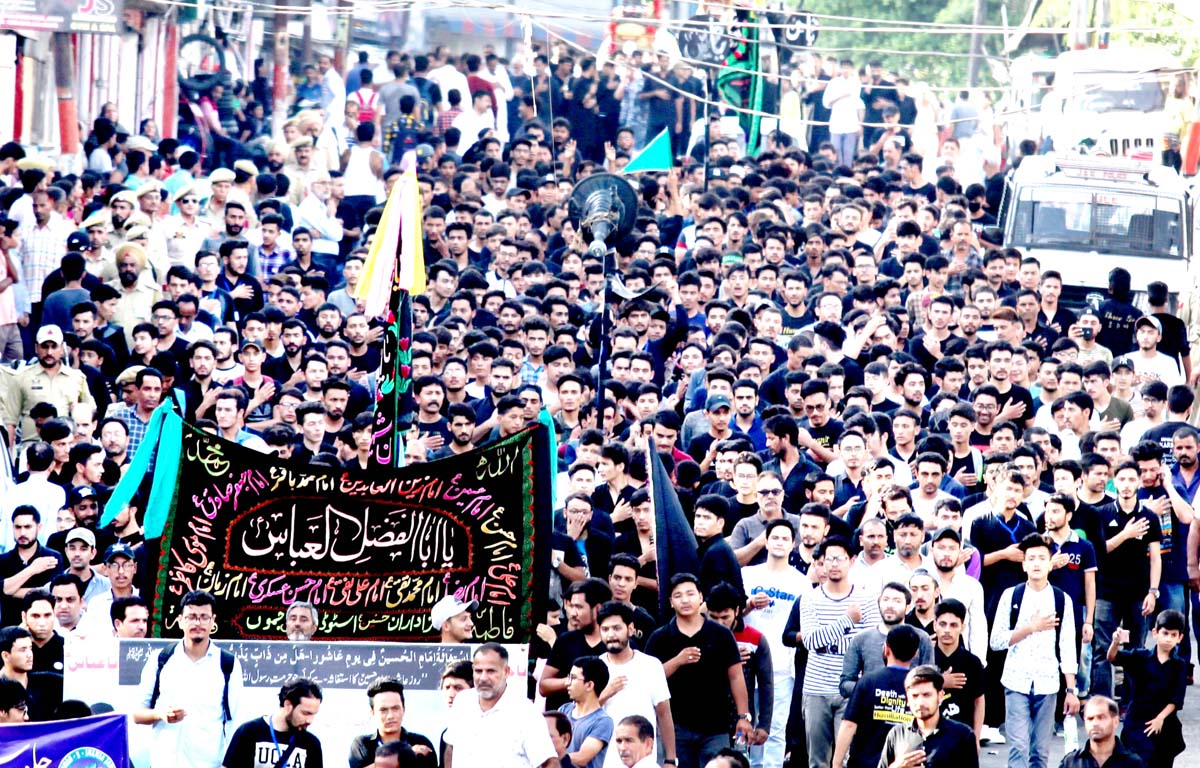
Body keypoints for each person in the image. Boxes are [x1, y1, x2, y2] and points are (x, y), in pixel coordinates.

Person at [990, 534, 1080, 768]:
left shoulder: (1062, 600)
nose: (1036, 563)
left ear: (1051, 564)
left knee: (1040, 752)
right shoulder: (1011, 595)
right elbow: (996, 641)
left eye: (1042, 558)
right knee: (1018, 747)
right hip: (1016, 681)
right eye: (1031, 558)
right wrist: (1030, 627)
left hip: (1047, 682)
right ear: (1023, 564)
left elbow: (1067, 646)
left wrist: (1071, 690)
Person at [645, 574, 753, 768]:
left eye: (690, 594)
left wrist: (743, 716)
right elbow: (648, 680)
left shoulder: (721, 634)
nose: (685, 600)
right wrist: (677, 661)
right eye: (678, 595)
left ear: (701, 597)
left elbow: (736, 677)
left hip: (716, 726)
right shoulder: (659, 638)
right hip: (676, 727)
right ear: (670, 602)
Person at [133, 590, 245, 768]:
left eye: (204, 617)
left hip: (209, 764)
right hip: (165, 762)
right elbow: (137, 714)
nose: (197, 623)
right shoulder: (161, 659)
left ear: (213, 621)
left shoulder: (227, 664)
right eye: (191, 617)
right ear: (180, 620)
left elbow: (234, 722)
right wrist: (161, 714)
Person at [798, 538, 880, 768]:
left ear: (851, 561)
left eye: (839, 558)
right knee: (817, 760)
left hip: (852, 689)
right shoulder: (810, 598)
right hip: (816, 688)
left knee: (846, 759)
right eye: (829, 559)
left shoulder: (866, 599)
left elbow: (870, 646)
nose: (833, 564)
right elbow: (811, 641)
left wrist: (830, 641)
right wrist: (847, 621)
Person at [741, 519, 810, 768]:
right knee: (745, 726)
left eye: (785, 539)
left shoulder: (801, 582)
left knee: (775, 729)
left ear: (793, 545)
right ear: (766, 542)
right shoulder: (747, 575)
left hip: (782, 666)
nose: (780, 542)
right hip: (746, 662)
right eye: (775, 537)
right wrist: (749, 605)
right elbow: (730, 616)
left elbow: (802, 625)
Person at [444, 642, 559, 768]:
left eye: (491, 671)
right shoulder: (463, 702)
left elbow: (550, 762)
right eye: (478, 671)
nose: (483, 678)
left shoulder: (525, 712)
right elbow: (451, 747)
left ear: (506, 672)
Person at [595, 601, 676, 768]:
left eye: (617, 628)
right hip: (604, 760)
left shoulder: (651, 665)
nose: (611, 634)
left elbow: (664, 714)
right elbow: (582, 714)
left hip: (644, 761)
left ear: (630, 629)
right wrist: (605, 694)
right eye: (605, 629)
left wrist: (670, 759)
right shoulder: (594, 668)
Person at [831, 625, 923, 768]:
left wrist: (836, 764)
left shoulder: (868, 682)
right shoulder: (920, 687)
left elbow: (849, 725)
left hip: (864, 763)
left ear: (886, 649)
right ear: (915, 653)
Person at [1106, 609, 1187, 767]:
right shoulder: (1140, 657)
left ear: (1180, 638)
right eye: (1165, 633)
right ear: (1155, 633)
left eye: (1173, 635)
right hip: (1138, 721)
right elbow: (1113, 657)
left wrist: (1160, 719)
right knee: (1137, 761)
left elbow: (1176, 699)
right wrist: (1115, 642)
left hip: (1164, 724)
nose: (1168, 639)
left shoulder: (1179, 665)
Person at [878, 665, 979, 768]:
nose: (920, 702)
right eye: (914, 696)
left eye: (927, 695)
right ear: (907, 699)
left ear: (940, 696)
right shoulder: (897, 734)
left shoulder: (962, 736)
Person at [221, 678, 324, 768]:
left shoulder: (311, 744)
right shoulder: (249, 733)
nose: (310, 721)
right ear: (288, 705)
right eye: (306, 713)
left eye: (313, 714)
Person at [930, 599, 985, 743]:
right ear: (935, 625)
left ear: (962, 627)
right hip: (929, 736)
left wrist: (976, 737)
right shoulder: (926, 659)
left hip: (962, 736)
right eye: (942, 624)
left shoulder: (972, 662)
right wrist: (940, 681)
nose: (947, 630)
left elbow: (979, 701)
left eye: (953, 625)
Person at [349, 678, 437, 768]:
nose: (390, 716)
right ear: (373, 713)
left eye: (395, 708)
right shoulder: (362, 745)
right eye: (383, 710)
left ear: (403, 709)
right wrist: (406, 754)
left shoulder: (421, 742)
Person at [559, 656, 615, 768]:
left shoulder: (602, 721)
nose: (567, 683)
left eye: (573, 678)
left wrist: (550, 757)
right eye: (569, 677)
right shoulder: (563, 710)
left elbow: (582, 758)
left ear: (589, 685)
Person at [1060, 696, 1146, 768]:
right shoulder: (1071, 763)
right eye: (1090, 719)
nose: (1095, 723)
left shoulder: (1132, 763)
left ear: (1115, 721)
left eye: (1101, 718)